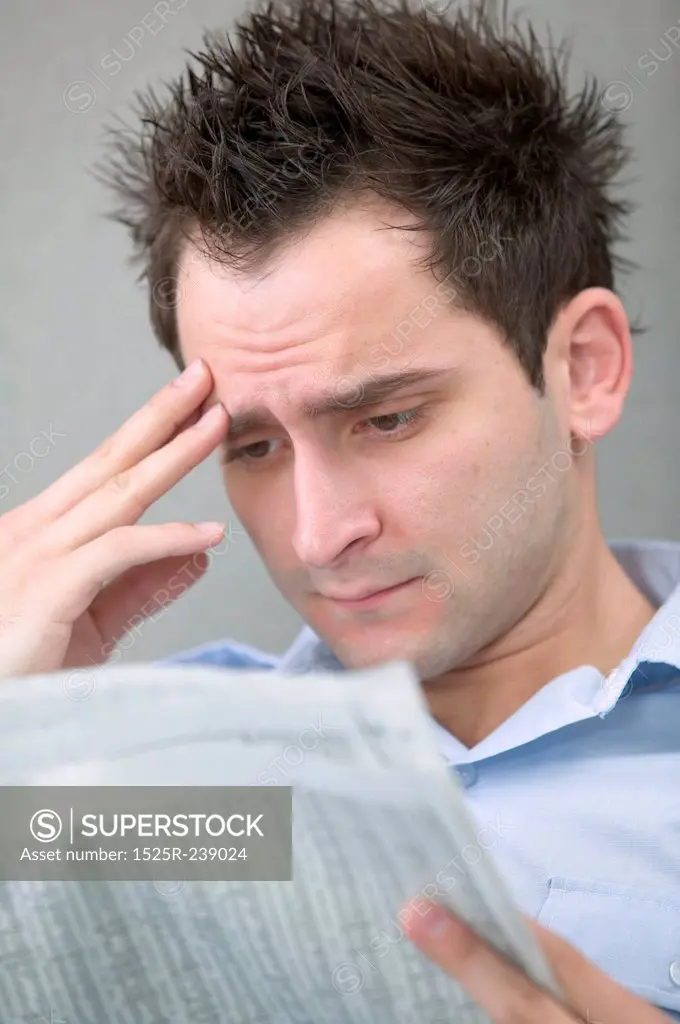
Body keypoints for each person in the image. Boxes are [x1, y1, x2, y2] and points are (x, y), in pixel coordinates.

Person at [1, 0, 678, 1019]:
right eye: (253, 445)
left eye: (389, 418)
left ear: (580, 367)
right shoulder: (193, 800)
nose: (319, 537)